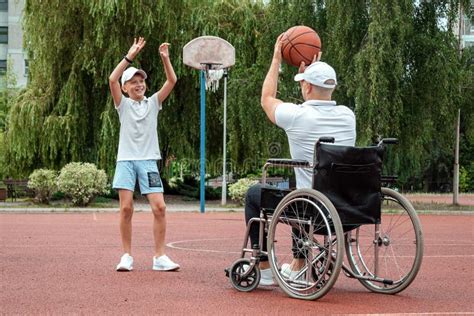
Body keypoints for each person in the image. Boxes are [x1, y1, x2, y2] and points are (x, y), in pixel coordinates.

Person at [245, 34, 356, 285]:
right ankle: (298, 264)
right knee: (302, 185)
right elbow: (317, 97)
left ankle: (263, 269)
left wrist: (276, 60)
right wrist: (315, 73)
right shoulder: (348, 116)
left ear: (305, 87)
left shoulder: (296, 116)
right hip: (348, 207)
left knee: (258, 194)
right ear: (333, 87)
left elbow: (267, 99)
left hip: (312, 209)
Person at [109, 37, 179, 272]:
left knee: (160, 207)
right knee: (126, 208)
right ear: (125, 88)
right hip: (126, 161)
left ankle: (159, 257)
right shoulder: (123, 105)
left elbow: (172, 80)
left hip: (148, 161)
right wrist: (129, 56)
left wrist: (166, 59)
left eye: (141, 81)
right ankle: (126, 255)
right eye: (133, 82)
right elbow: (111, 79)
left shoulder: (153, 103)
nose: (139, 84)